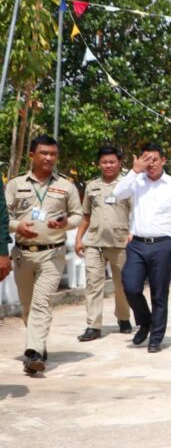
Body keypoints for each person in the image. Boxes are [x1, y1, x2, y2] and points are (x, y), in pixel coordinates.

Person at [6, 135, 83, 374]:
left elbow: (78, 215)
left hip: (52, 254)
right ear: (32, 155)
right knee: (28, 307)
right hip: (23, 255)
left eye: (53, 154)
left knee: (41, 303)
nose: (49, 158)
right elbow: (3, 216)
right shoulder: (15, 184)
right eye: (44, 153)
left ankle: (34, 354)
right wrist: (17, 226)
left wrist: (65, 223)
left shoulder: (66, 186)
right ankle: (38, 344)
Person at [113, 142, 171, 354]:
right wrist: (134, 171)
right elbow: (117, 194)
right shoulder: (136, 181)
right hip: (137, 243)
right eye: (146, 159)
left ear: (163, 160)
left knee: (159, 293)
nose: (151, 164)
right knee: (130, 286)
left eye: (154, 159)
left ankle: (156, 337)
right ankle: (145, 321)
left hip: (162, 245)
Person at [74, 145, 133, 341]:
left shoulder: (127, 186)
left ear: (119, 163)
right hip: (94, 243)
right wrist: (79, 239)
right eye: (104, 162)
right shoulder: (92, 186)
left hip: (120, 243)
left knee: (122, 285)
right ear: (99, 164)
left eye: (112, 162)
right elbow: (86, 215)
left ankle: (123, 317)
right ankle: (93, 326)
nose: (108, 165)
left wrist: (133, 235)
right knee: (93, 285)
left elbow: (136, 214)